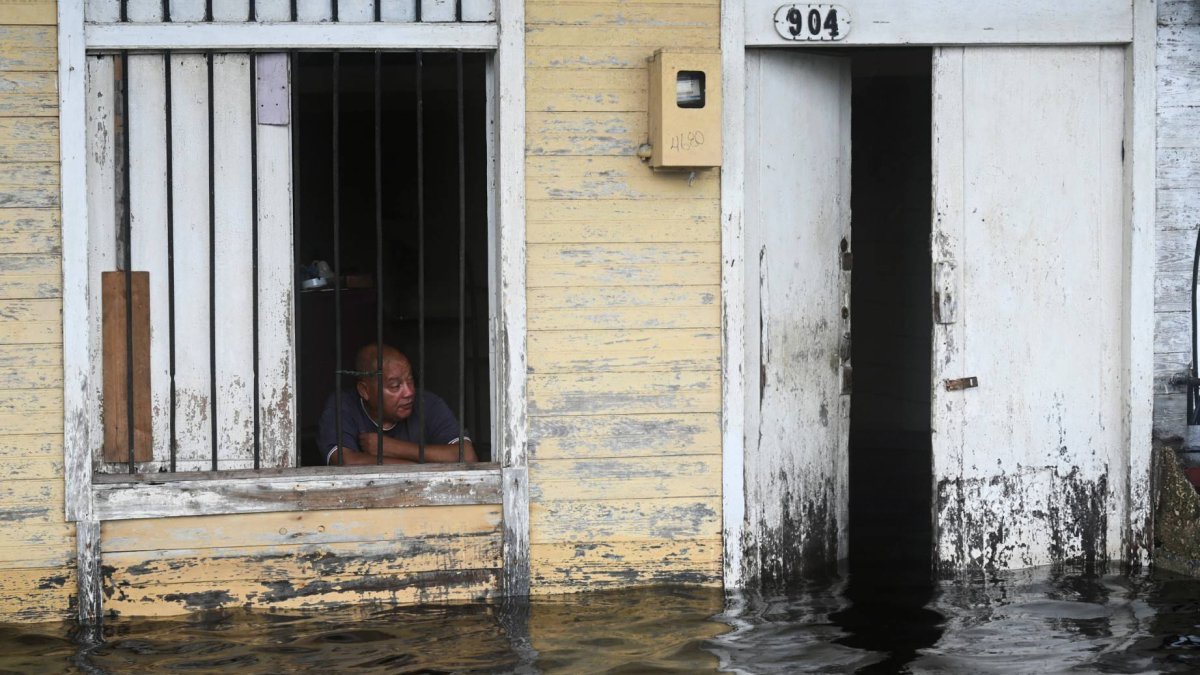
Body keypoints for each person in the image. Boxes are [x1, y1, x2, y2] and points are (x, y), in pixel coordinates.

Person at [316, 343, 477, 465]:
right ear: (364, 391)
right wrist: (422, 467)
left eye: (410, 381)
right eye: (395, 386)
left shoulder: (427, 403)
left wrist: (392, 448)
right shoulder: (343, 406)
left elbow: (468, 457)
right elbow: (346, 462)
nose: (409, 392)